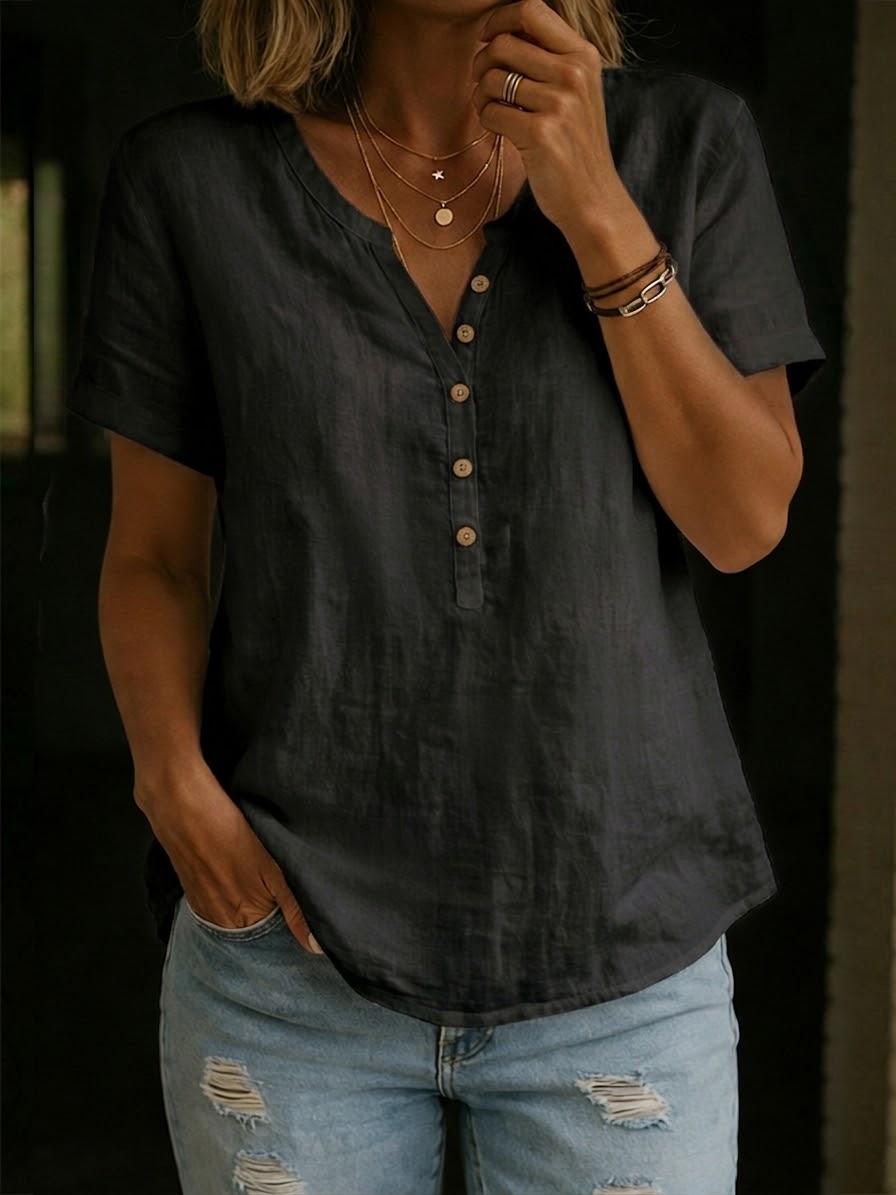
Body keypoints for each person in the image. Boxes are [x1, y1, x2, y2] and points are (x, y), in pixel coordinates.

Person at [65, 0, 827, 1191]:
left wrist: (594, 204)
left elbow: (741, 524)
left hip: (622, 957)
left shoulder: (684, 144)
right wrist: (172, 788)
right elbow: (156, 553)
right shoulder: (192, 179)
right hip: (287, 960)